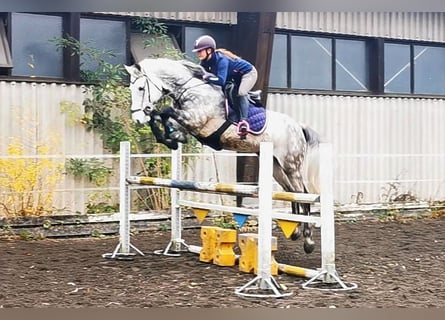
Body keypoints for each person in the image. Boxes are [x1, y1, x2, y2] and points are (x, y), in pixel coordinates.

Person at [192, 35, 258, 138]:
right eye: (197, 51)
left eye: (200, 51)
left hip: (248, 74)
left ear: (209, 50)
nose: (198, 53)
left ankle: (243, 122)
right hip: (235, 77)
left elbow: (221, 81)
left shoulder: (222, 60)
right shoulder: (204, 61)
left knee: (241, 93)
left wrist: (206, 77)